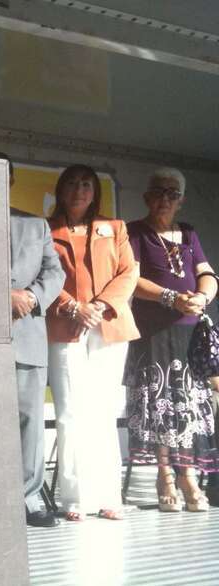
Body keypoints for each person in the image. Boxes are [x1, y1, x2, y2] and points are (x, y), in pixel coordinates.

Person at [46, 164, 139, 521]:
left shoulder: (115, 228)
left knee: (102, 410)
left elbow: (129, 272)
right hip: (64, 327)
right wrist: (72, 307)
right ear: (61, 189)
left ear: (95, 191)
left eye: (87, 184)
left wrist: (99, 306)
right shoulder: (45, 228)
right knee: (71, 412)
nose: (80, 189)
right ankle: (75, 498)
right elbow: (40, 274)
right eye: (72, 182)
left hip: (108, 326)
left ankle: (108, 496)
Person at [124, 167, 219, 512]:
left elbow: (206, 274)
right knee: (160, 407)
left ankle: (188, 475)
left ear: (181, 201)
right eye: (159, 192)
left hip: (190, 333)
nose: (165, 199)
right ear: (147, 196)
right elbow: (131, 279)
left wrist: (203, 297)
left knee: (190, 407)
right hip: (153, 334)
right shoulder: (134, 231)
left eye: (173, 193)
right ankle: (165, 476)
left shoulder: (190, 233)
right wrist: (171, 298)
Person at [0, 151, 65, 528]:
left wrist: (32, 297)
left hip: (27, 336)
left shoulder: (36, 226)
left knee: (29, 421)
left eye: (4, 173)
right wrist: (1, 296)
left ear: (12, 179)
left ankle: (28, 498)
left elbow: (55, 272)